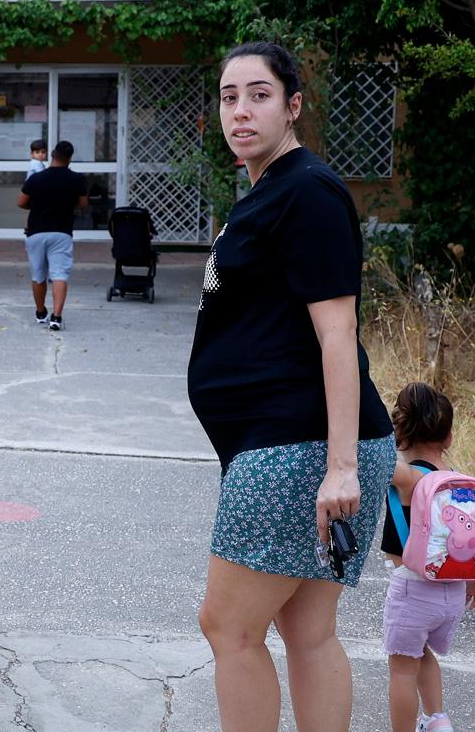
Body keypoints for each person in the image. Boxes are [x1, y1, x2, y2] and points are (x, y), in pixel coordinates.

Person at [187, 42, 396, 732]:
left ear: (293, 105)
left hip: (297, 446)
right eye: (228, 97)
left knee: (228, 627)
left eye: (259, 95)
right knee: (307, 632)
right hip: (288, 440)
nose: (241, 111)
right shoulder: (273, 188)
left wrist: (342, 467)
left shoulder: (306, 190)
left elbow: (338, 332)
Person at [381, 382, 475, 732]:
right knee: (421, 653)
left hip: (413, 592)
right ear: (450, 437)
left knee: (401, 668)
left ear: (401, 430)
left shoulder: (411, 479)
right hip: (453, 591)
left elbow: (374, 460)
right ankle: (438, 719)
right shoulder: (463, 484)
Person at [17, 139, 88, 331]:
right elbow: (83, 204)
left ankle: (41, 312)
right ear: (70, 159)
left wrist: (36, 205)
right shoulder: (77, 180)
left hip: (35, 232)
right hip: (62, 233)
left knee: (38, 275)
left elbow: (21, 202)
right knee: (59, 275)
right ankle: (56, 317)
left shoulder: (37, 178)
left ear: (52, 155)